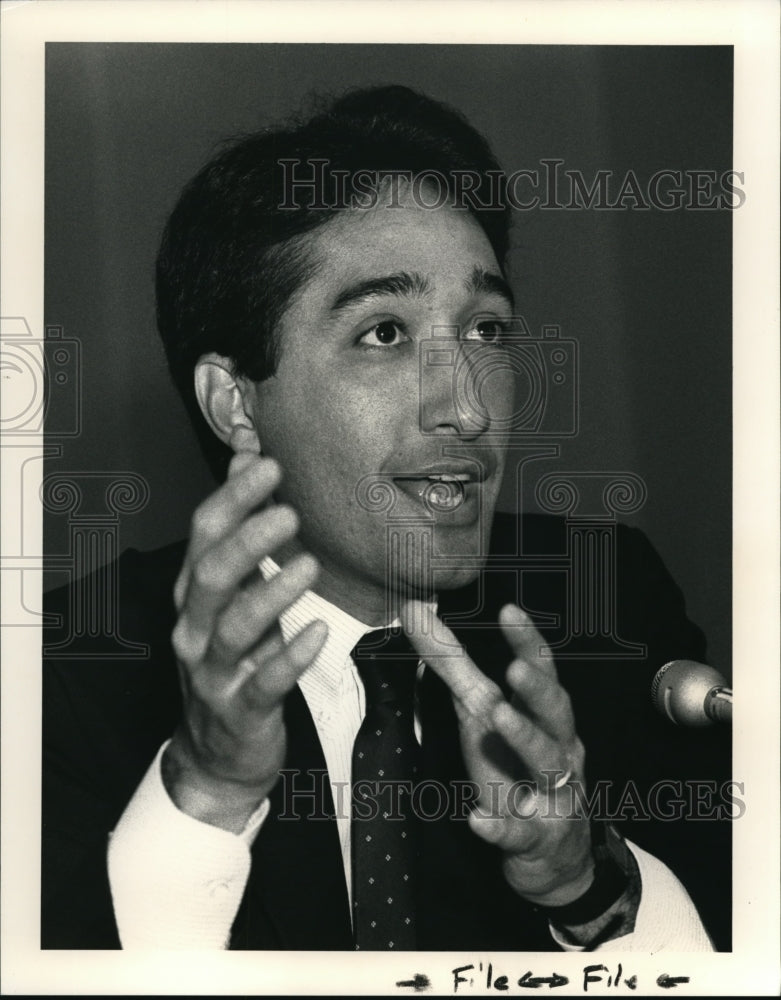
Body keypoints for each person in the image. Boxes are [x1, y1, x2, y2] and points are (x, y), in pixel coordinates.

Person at [42, 85, 730, 952]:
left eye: (485, 330)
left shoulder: (604, 610)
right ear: (235, 403)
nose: (468, 410)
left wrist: (578, 881)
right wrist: (207, 792)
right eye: (384, 334)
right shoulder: (63, 674)